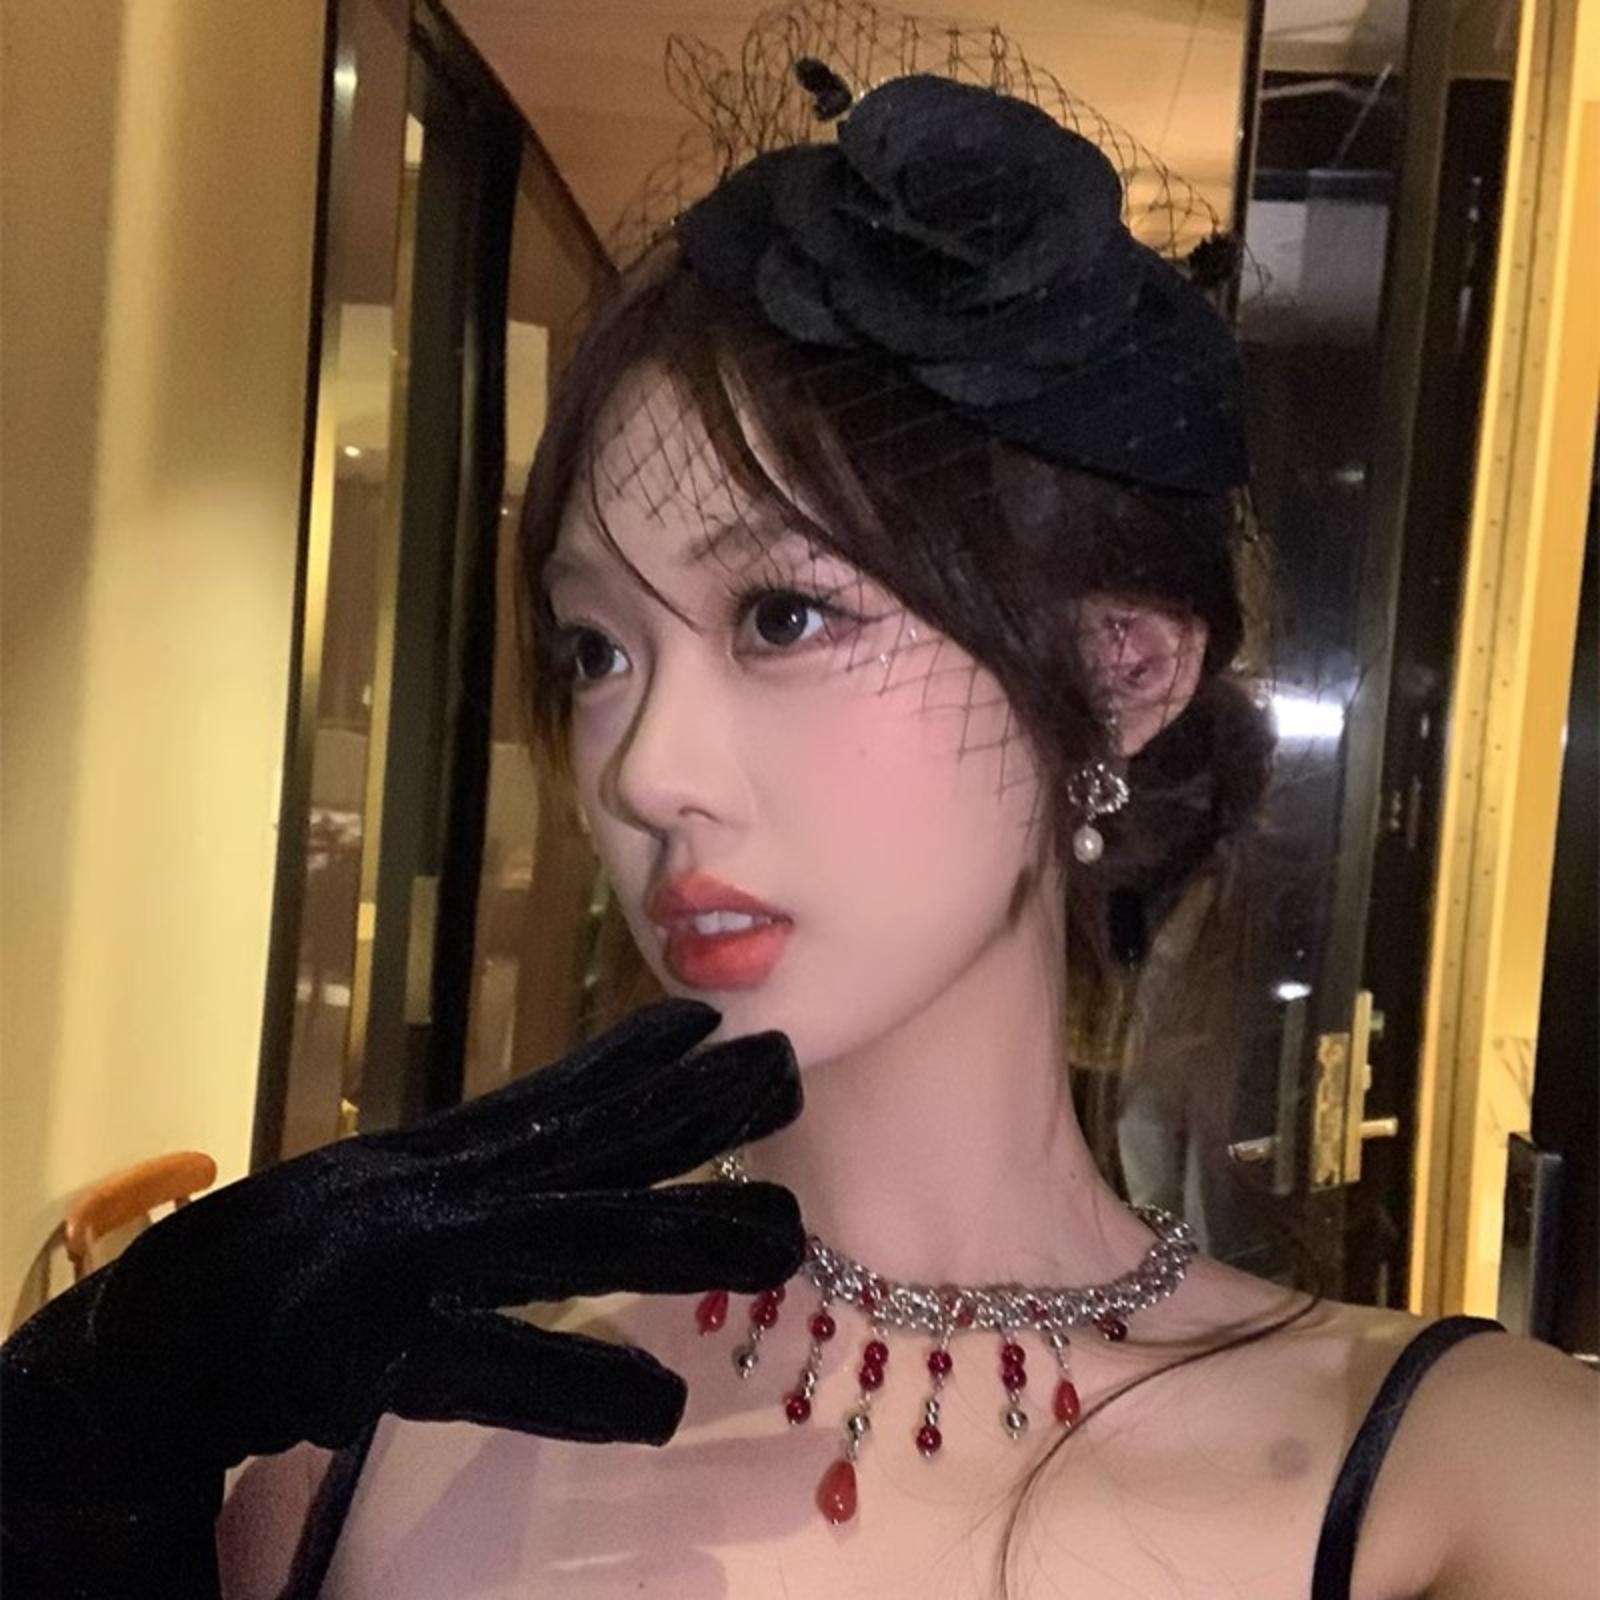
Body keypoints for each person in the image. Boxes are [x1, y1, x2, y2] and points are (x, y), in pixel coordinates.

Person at [4, 65, 1595, 1600]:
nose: (644, 771)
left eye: (782, 615)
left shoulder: (1479, 1484)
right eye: (597, 650)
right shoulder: (373, 1440)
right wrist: (69, 1449)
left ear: (1118, 674)